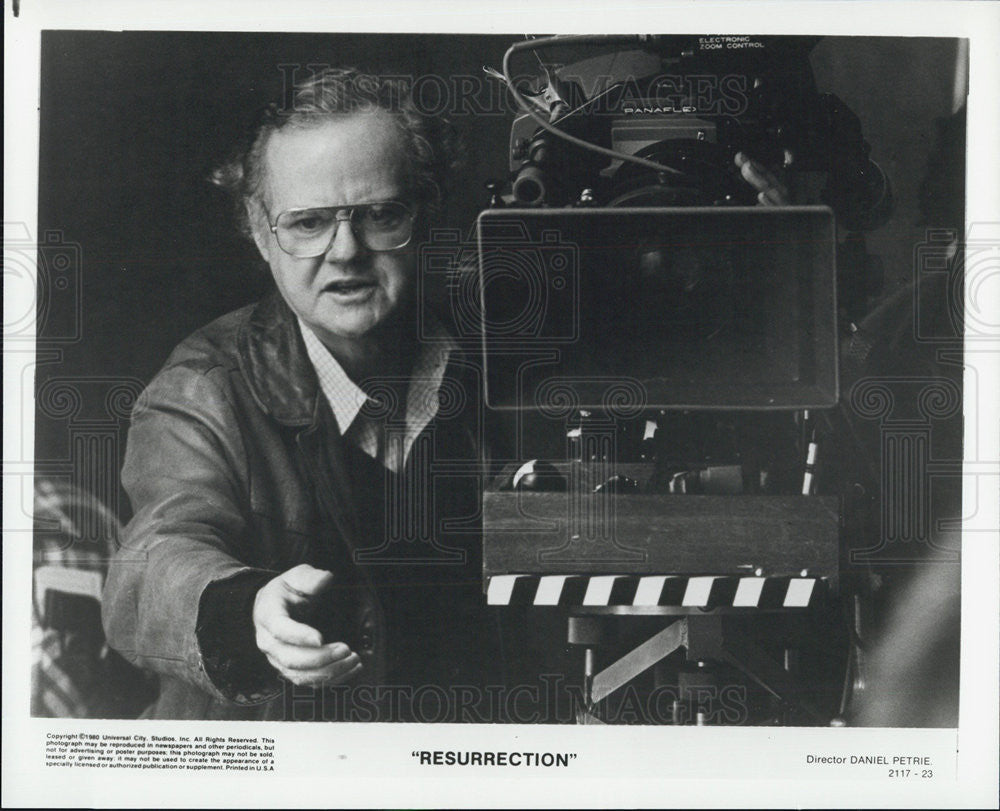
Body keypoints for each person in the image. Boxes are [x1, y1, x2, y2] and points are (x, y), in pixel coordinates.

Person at [102, 68, 500, 721]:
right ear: (262, 233)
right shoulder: (202, 387)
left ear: (424, 214)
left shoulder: (495, 364)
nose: (346, 252)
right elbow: (153, 557)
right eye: (308, 223)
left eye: (381, 215)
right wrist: (249, 609)